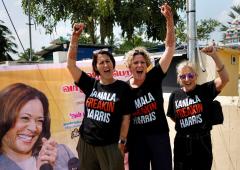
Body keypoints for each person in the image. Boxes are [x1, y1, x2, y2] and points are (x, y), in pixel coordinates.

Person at [67, 23, 133, 170]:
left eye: (108, 61)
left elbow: (126, 118)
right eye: (101, 62)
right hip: (86, 144)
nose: (105, 65)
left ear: (113, 64)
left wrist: (122, 141)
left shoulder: (123, 88)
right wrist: (74, 38)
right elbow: (71, 65)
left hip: (110, 146)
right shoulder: (90, 84)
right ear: (96, 67)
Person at [124, 3, 175, 170]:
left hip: (159, 137)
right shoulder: (124, 89)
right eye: (135, 62)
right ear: (129, 67)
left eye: (142, 62)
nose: (139, 65)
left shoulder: (154, 77)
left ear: (146, 65)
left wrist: (169, 19)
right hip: (136, 140)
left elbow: (169, 47)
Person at [167, 45, 229, 170]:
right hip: (182, 143)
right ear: (179, 79)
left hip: (202, 143)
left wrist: (214, 56)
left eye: (190, 75)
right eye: (183, 76)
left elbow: (225, 79)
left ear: (196, 76)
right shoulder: (175, 95)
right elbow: (175, 117)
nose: (187, 79)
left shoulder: (205, 90)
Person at [0, 83, 76, 170]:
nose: (33, 128)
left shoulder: (62, 152)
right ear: (3, 118)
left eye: (39, 120)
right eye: (25, 118)